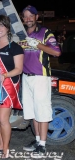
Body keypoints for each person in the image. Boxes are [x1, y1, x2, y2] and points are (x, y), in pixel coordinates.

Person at [20, 5, 61, 155]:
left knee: (42, 111)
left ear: (37, 17)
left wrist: (38, 44)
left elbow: (56, 52)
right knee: (32, 111)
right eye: (26, 16)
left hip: (40, 77)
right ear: (23, 19)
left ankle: (42, 145)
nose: (28, 18)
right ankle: (37, 140)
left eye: (31, 15)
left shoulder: (45, 32)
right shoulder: (21, 33)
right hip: (26, 77)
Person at [0, 15, 24, 158]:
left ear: (8, 28)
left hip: (8, 85)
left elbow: (19, 69)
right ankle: (1, 144)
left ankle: (6, 149)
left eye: (2, 25)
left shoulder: (15, 47)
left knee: (3, 119)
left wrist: (5, 75)